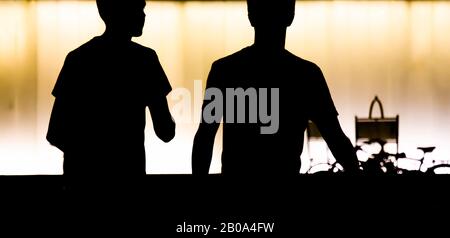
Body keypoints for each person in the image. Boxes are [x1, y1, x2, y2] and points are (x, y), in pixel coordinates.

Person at [192, 0, 360, 176]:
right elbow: (336, 138)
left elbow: (205, 135)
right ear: (290, 16)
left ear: (251, 16)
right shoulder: (307, 74)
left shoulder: (224, 70)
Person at [47, 0, 175, 176]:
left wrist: (86, 157)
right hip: (129, 174)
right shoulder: (145, 60)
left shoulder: (77, 59)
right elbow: (166, 131)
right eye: (138, 8)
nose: (143, 15)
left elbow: (55, 132)